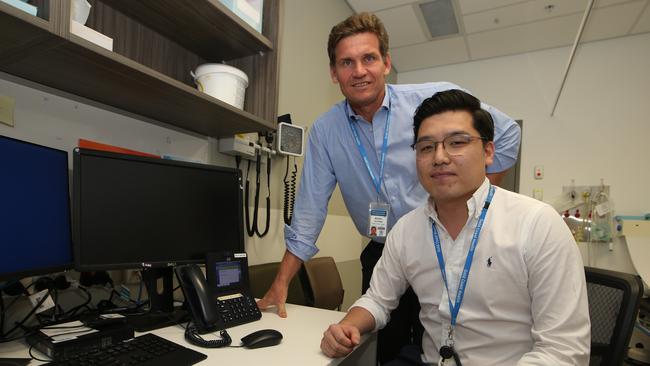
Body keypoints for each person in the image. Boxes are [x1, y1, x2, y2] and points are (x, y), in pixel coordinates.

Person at [257, 12, 521, 363]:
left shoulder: (430, 101)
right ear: (334, 73)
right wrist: (281, 282)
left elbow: (506, 135)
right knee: (387, 350)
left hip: (446, 242)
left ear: (386, 63)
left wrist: (474, 200)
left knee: (454, 342)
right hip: (383, 252)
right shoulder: (326, 131)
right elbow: (309, 210)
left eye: (369, 58)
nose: (359, 71)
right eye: (346, 62)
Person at [320, 89, 590, 365]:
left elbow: (563, 351)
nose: (439, 157)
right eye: (426, 147)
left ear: (488, 151)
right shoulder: (405, 231)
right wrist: (347, 326)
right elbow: (378, 299)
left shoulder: (537, 225)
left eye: (456, 142)